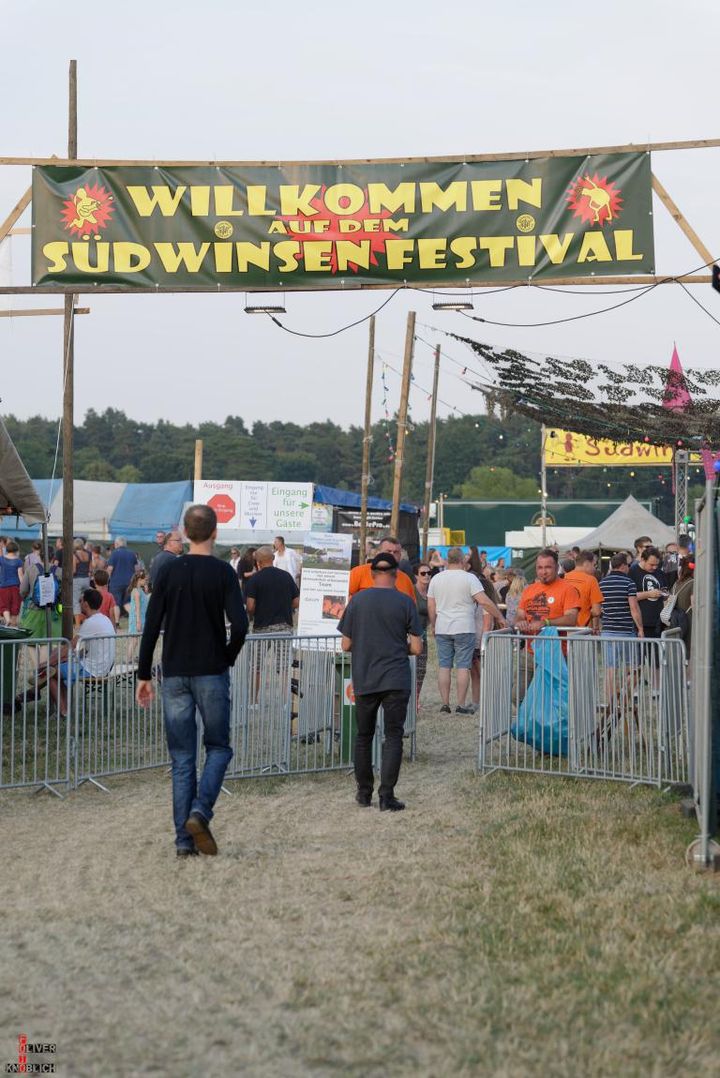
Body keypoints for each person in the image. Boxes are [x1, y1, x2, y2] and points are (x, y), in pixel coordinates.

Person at [136, 504, 248, 858]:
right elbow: (241, 625)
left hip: (174, 672)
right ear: (215, 532)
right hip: (211, 670)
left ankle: (184, 842)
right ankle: (200, 812)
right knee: (219, 748)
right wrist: (227, 656)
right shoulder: (223, 572)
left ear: (184, 533)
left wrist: (143, 674)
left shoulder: (169, 570)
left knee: (182, 759)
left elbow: (152, 625)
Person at [338, 552, 423, 812]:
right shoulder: (405, 601)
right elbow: (417, 648)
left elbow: (345, 644)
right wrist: (397, 646)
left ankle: (364, 793)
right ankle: (387, 796)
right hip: (396, 677)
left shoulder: (357, 601)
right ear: (396, 575)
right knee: (393, 735)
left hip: (365, 676)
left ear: (372, 574)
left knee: (364, 735)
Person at [428, 546, 506, 715]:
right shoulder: (470, 578)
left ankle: (445, 704)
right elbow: (484, 601)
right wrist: (499, 616)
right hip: (464, 627)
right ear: (462, 560)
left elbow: (431, 606)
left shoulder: (436, 579)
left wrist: (434, 624)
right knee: (463, 667)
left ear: (447, 560)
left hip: (442, 626)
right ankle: (461, 704)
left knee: (444, 666)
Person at [514, 550, 580, 701]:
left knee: (549, 699)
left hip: (555, 654)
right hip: (529, 652)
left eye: (548, 567)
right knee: (517, 696)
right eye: (540, 567)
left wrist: (546, 623)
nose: (543, 572)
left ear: (556, 567)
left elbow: (571, 618)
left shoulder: (568, 589)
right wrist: (520, 621)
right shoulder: (529, 589)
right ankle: (528, 717)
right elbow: (519, 614)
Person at [48, 589, 116, 717]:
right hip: (104, 667)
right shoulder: (104, 619)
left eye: (81, 600)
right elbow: (87, 649)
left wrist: (47, 663)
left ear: (86, 604)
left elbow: (69, 647)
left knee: (49, 672)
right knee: (57, 669)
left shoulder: (90, 622)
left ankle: (63, 711)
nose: (79, 603)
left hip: (93, 669)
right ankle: (63, 708)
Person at [599, 552, 644, 708]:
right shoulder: (629, 583)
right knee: (633, 668)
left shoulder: (602, 583)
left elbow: (599, 608)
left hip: (607, 631)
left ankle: (611, 704)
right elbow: (634, 608)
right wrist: (640, 628)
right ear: (624, 566)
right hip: (626, 631)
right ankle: (625, 699)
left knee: (610, 669)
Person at [244, 545, 299, 633]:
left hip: (262, 628)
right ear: (273, 558)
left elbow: (250, 607)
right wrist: (283, 608)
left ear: (258, 562)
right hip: (285, 629)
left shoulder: (254, 579)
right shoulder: (286, 576)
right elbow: (296, 602)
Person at [349, 535, 416, 601]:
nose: (392, 555)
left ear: (400, 556)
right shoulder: (358, 572)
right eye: (388, 551)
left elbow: (411, 605)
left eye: (396, 552)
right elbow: (346, 597)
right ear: (378, 553)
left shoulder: (405, 580)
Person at [629, 545, 668, 640]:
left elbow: (666, 590)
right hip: (640, 623)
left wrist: (665, 595)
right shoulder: (632, 572)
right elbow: (629, 597)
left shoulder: (660, 573)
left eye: (657, 565)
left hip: (658, 622)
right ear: (643, 559)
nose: (654, 567)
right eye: (651, 564)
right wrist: (648, 594)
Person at [563, 550, 604, 631]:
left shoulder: (564, 578)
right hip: (583, 630)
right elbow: (596, 611)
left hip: (563, 628)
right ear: (586, 563)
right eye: (594, 565)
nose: (594, 569)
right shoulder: (591, 580)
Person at [413, 562, 432, 706]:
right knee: (411, 668)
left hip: (423, 635)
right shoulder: (412, 591)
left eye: (429, 573)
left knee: (421, 670)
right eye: (423, 573)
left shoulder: (432, 592)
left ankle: (416, 700)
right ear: (416, 576)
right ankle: (410, 699)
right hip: (410, 635)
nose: (426, 576)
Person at [107, 537, 139, 612]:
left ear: (117, 544)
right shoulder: (132, 553)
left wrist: (107, 580)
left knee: (116, 604)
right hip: (130, 582)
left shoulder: (114, 553)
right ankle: (135, 617)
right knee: (127, 603)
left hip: (116, 583)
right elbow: (137, 569)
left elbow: (110, 569)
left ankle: (117, 620)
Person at [0, 541, 24, 627]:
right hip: (15, 587)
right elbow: (20, 575)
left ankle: (7, 620)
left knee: (4, 605)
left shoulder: (1, 559)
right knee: (15, 606)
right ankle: (13, 624)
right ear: (16, 550)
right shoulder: (18, 561)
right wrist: (24, 587)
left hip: (3, 586)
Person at [72, 537, 92, 628]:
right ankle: (89, 620)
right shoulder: (89, 554)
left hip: (77, 579)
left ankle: (77, 624)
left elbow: (73, 570)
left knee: (75, 601)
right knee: (87, 600)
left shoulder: (74, 555)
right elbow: (90, 569)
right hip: (86, 579)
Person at [128, 569, 151, 635]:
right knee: (134, 639)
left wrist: (147, 592)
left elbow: (144, 601)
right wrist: (138, 622)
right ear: (140, 580)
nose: (146, 582)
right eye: (145, 580)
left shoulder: (140, 590)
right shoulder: (136, 592)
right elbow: (137, 608)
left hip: (142, 617)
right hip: (137, 619)